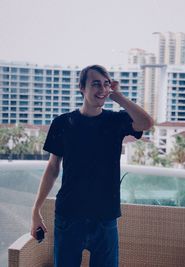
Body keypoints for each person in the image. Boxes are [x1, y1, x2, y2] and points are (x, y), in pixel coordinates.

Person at [31, 64, 154, 267]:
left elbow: (146, 123)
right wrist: (36, 210)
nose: (102, 89)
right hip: (69, 216)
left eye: (106, 84)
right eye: (96, 84)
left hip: (105, 216)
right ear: (82, 87)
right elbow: (53, 167)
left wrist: (119, 97)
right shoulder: (63, 123)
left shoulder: (116, 121)